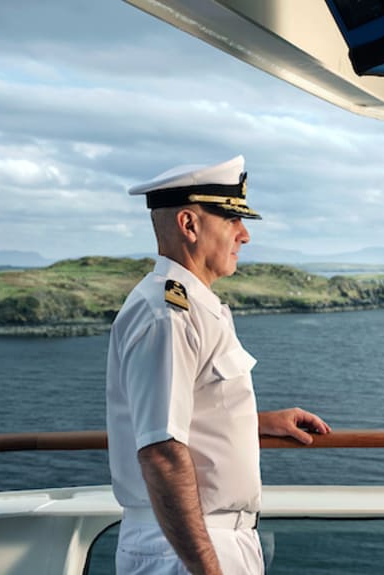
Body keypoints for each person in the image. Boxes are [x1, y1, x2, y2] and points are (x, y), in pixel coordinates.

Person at [106, 155, 331, 575]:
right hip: (187, 547)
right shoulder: (167, 314)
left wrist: (253, 421)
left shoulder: (191, 305)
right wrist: (207, 569)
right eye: (231, 219)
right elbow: (161, 452)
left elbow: (185, 409)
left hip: (206, 540)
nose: (244, 235)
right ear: (189, 225)